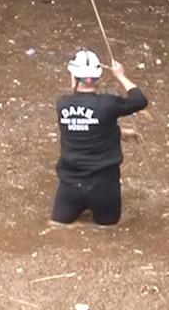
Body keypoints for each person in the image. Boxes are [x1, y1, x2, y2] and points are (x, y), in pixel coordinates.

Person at [51, 50, 148, 226]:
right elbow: (139, 100)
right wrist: (120, 75)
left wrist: (118, 132)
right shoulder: (109, 104)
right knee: (108, 229)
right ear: (99, 79)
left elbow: (80, 130)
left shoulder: (62, 104)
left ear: (73, 77)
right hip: (104, 189)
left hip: (70, 187)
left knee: (57, 226)